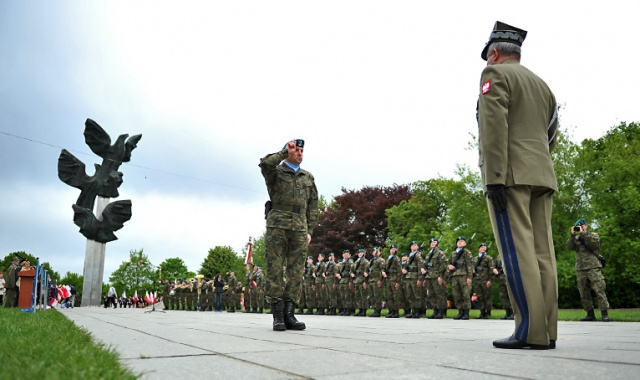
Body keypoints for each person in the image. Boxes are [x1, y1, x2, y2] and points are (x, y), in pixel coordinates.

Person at [478, 21, 558, 349]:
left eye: (487, 57)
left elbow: (493, 129)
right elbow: (552, 134)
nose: (486, 63)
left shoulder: (494, 76)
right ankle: (548, 333)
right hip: (542, 172)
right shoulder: (543, 85)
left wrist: (495, 178)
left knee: (517, 252)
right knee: (543, 253)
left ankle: (528, 331)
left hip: (509, 175)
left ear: (495, 54)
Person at [260, 138, 319, 331]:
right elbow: (265, 163)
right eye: (296, 150)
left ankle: (289, 313)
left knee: (296, 271)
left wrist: (309, 230)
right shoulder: (276, 171)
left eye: (302, 150)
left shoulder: (307, 177)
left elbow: (313, 206)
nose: (300, 153)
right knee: (275, 267)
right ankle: (277, 315)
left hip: (300, 227)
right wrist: (284, 152)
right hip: (278, 225)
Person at [566, 218, 610, 322]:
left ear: (586, 226)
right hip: (581, 268)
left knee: (599, 289)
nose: (580, 227)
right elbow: (569, 247)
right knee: (583, 292)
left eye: (582, 225)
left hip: (593, 267)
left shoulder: (593, 235)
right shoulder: (575, 238)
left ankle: (604, 313)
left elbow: (594, 245)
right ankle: (590, 314)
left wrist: (584, 234)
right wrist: (572, 236)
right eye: (578, 226)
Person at [448, 237, 474, 320]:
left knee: (465, 294)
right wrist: (449, 266)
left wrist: (469, 277)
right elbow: (448, 263)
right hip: (455, 276)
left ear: (465, 243)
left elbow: (470, 266)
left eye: (462, 241)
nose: (460, 242)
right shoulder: (453, 253)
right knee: (457, 295)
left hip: (464, 275)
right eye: (458, 241)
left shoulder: (467, 253)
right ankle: (460, 311)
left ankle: (466, 312)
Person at [422, 238, 448, 319]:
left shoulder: (440, 253)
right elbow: (425, 264)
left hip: (436, 276)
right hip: (429, 276)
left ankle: (440, 311)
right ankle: (435, 310)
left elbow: (443, 265)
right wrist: (423, 269)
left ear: (438, 244)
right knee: (431, 294)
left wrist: (440, 276)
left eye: (434, 242)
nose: (433, 243)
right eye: (431, 242)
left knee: (439, 294)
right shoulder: (429, 254)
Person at [474, 243, 495, 319]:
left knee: (487, 297)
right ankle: (482, 312)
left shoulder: (488, 258)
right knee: (480, 297)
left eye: (484, 247)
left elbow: (491, 269)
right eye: (482, 247)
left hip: (485, 280)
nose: (483, 248)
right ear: (478, 249)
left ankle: (488, 312)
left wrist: (489, 280)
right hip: (478, 280)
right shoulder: (475, 259)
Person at [383, 244, 402, 318]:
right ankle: (391, 311)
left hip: (394, 279)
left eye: (394, 249)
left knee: (395, 296)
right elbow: (385, 268)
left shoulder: (396, 259)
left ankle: (396, 311)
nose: (392, 250)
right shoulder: (388, 259)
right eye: (391, 249)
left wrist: (398, 282)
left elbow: (399, 271)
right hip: (388, 279)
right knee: (389, 296)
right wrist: (384, 272)